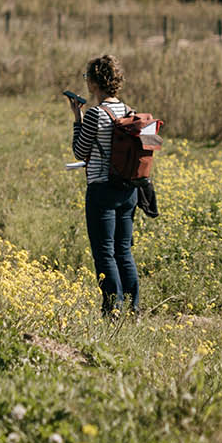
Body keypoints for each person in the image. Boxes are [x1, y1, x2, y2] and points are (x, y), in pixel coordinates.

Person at [71, 53, 143, 318]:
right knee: (123, 250)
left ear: (93, 83)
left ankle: (112, 308)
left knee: (104, 253)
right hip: (128, 190)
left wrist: (77, 119)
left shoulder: (94, 115)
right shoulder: (129, 112)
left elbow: (80, 151)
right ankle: (132, 309)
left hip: (102, 190)